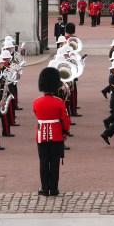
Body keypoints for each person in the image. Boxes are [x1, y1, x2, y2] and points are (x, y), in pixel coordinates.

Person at [33, 66, 71, 196]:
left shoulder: (36, 102)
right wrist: (65, 132)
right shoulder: (59, 102)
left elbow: (37, 115)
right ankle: (54, 189)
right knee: (55, 162)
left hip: (41, 135)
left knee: (43, 162)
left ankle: (44, 188)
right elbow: (65, 119)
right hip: (56, 135)